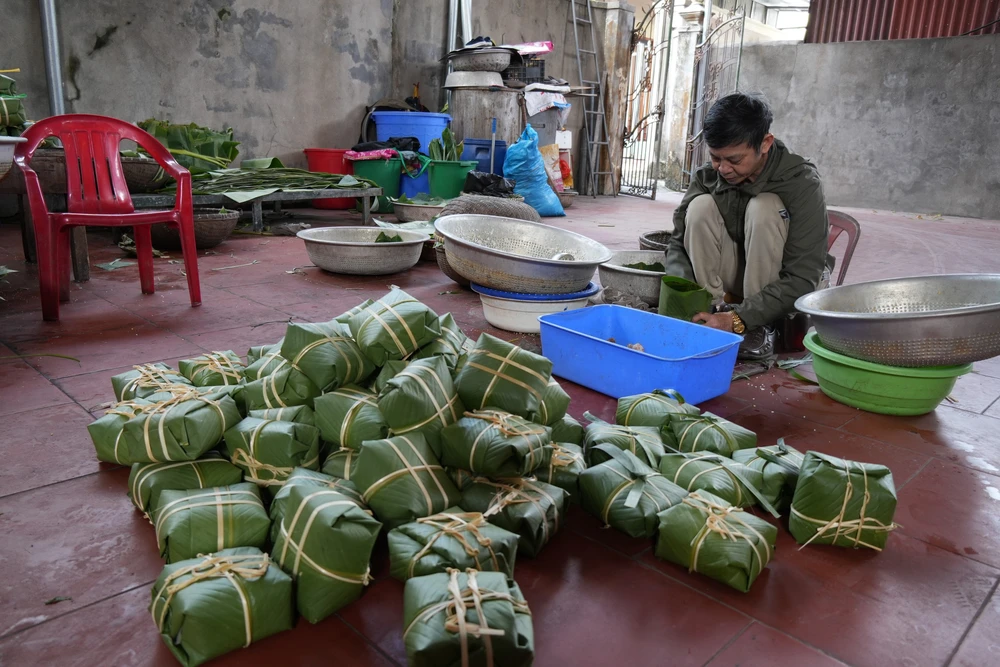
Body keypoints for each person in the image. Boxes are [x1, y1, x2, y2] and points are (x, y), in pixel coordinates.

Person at [664, 92, 831, 360]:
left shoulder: (801, 182)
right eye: (716, 157)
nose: (723, 169)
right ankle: (712, 309)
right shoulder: (709, 175)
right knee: (699, 208)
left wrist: (741, 317)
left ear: (765, 143)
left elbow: (803, 276)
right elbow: (678, 243)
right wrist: (680, 299)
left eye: (734, 160)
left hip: (785, 286)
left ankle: (761, 327)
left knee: (764, 207)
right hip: (738, 276)